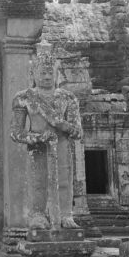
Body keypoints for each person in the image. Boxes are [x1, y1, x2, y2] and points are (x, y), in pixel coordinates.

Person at [10, 40, 82, 230]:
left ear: (56, 73)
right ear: (33, 74)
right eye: (43, 72)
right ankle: (38, 215)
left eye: (50, 72)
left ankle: (66, 215)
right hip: (38, 148)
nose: (47, 76)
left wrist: (62, 125)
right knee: (38, 181)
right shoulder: (24, 97)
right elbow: (16, 132)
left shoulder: (68, 97)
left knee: (64, 180)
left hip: (62, 145)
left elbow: (78, 131)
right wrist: (36, 137)